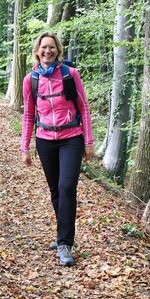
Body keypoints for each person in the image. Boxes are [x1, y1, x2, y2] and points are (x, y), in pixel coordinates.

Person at [20, 32, 94, 267]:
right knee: (55, 190)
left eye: (52, 47)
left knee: (67, 187)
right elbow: (29, 115)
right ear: (37, 50)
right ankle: (62, 232)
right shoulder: (30, 80)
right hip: (45, 140)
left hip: (71, 138)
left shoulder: (70, 75)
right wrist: (25, 146)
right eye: (44, 48)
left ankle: (65, 243)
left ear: (58, 50)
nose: (48, 51)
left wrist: (88, 141)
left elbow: (83, 108)